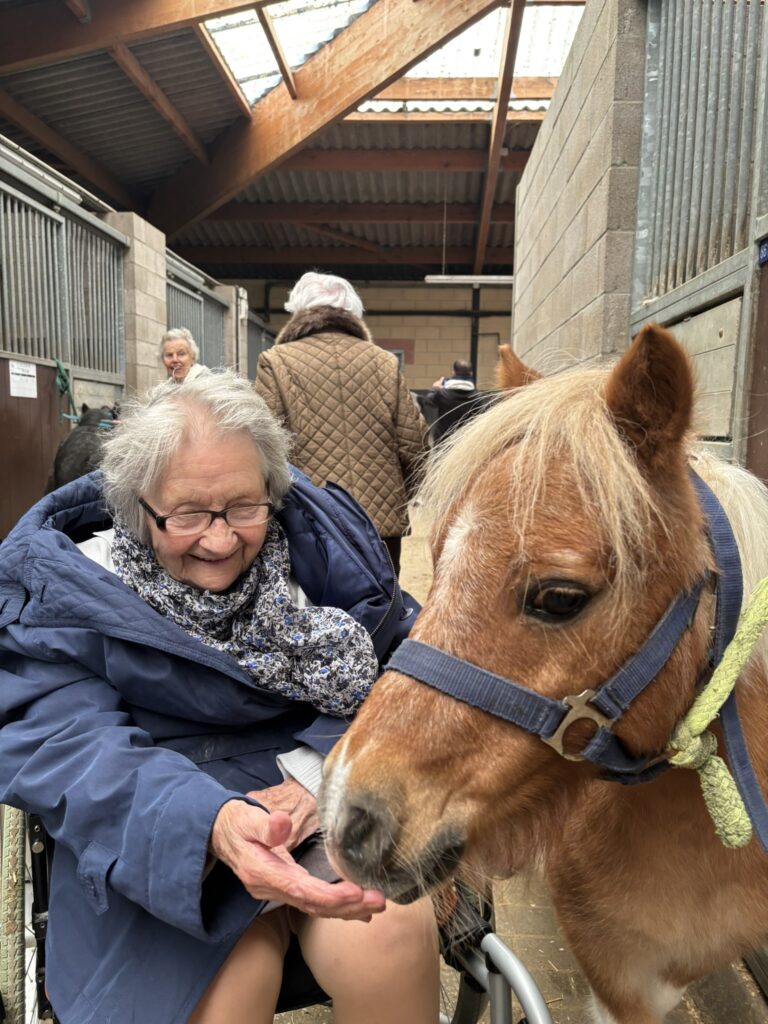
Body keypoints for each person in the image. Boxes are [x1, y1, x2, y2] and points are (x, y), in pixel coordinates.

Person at [0, 371, 438, 1024]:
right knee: (227, 980)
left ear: (273, 490)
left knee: (393, 931)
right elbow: (62, 741)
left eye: (244, 507)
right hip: (159, 824)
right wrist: (209, 824)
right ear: (136, 503)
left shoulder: (327, 561)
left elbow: (412, 669)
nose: (221, 539)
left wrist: (319, 775)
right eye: (188, 515)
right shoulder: (71, 588)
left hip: (321, 794)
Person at [254, 272, 428, 576]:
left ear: (298, 311)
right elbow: (415, 448)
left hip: (309, 527)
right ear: (352, 312)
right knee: (382, 616)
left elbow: (262, 450)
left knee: (314, 618)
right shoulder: (384, 362)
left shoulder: (276, 361)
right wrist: (398, 498)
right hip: (380, 531)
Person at [420, 360, 493, 446]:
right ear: (470, 374)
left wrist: (436, 388)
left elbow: (428, 401)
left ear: (453, 372)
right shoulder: (478, 397)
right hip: (465, 444)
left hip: (442, 443)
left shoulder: (442, 394)